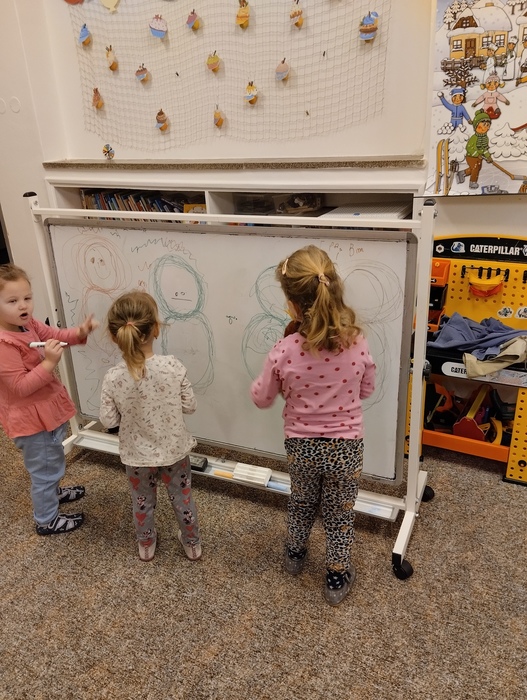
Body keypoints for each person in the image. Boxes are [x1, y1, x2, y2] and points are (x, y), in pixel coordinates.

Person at [250, 246, 376, 606]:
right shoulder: (357, 343)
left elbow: (261, 398)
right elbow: (366, 389)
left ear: (292, 304)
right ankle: (336, 577)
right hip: (346, 448)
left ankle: (294, 554)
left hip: (301, 446)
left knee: (302, 501)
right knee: (339, 513)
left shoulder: (284, 349)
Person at [99, 290, 201, 563]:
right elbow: (190, 406)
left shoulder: (113, 377)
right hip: (174, 451)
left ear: (115, 336)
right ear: (156, 329)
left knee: (142, 501)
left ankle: (146, 544)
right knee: (182, 498)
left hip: (136, 456)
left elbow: (108, 421)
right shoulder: (173, 366)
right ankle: (192, 544)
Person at [0, 263, 99, 535]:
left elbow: (54, 336)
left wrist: (79, 333)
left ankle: (52, 493)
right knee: (44, 470)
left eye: (27, 297)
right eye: (12, 301)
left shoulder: (27, 324)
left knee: (51, 459)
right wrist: (49, 363)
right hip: (30, 422)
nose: (23, 305)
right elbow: (20, 387)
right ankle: (46, 520)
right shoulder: (4, 344)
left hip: (44, 413)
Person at [456, 109, 493, 190]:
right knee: (475, 168)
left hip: (479, 157)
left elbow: (484, 148)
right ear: (476, 126)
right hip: (471, 156)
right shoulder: (474, 138)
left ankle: (461, 173)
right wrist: (476, 154)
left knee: (476, 169)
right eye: (483, 125)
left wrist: (488, 156)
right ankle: (472, 182)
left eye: (488, 125)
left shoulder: (485, 138)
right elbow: (469, 148)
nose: (485, 127)